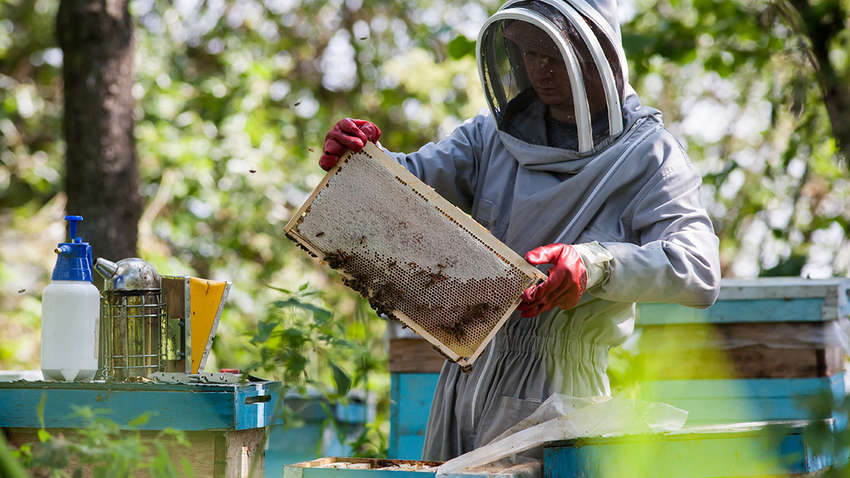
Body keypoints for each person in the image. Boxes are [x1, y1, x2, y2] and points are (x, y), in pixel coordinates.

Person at [317, 0, 721, 461]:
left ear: (596, 56)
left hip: (560, 392)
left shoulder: (651, 156)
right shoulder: (488, 137)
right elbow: (410, 183)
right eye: (528, 53)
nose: (540, 69)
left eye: (553, 54)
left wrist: (597, 264)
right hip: (464, 377)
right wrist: (362, 160)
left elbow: (698, 268)